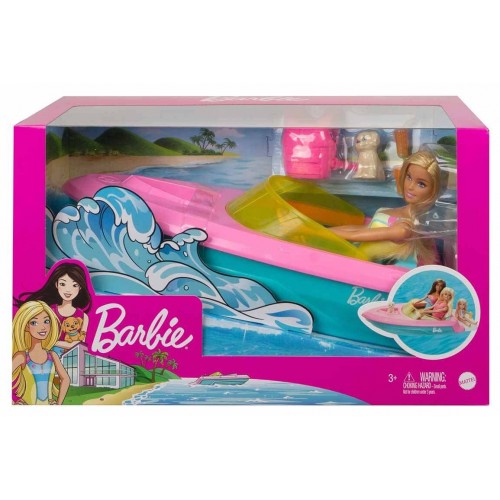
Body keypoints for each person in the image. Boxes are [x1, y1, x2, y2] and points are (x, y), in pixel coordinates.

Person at [329, 150, 442, 264]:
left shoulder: (405, 228)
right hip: (356, 255)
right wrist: (324, 231)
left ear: (433, 190)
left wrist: (322, 233)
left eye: (421, 184)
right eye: (409, 177)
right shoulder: (403, 213)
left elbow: (355, 235)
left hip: (363, 267)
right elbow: (364, 229)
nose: (411, 186)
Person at [15, 262, 92, 351]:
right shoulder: (48, 311)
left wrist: (52, 342)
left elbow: (80, 344)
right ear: (56, 284)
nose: (68, 290)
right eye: (63, 284)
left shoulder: (83, 317)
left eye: (75, 285)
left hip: (71, 357)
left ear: (80, 287)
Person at [12, 301, 70, 405]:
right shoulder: (22, 356)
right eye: (34, 323)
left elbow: (66, 379)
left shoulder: (52, 355)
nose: (43, 327)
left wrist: (59, 404)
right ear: (26, 326)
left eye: (46, 321)